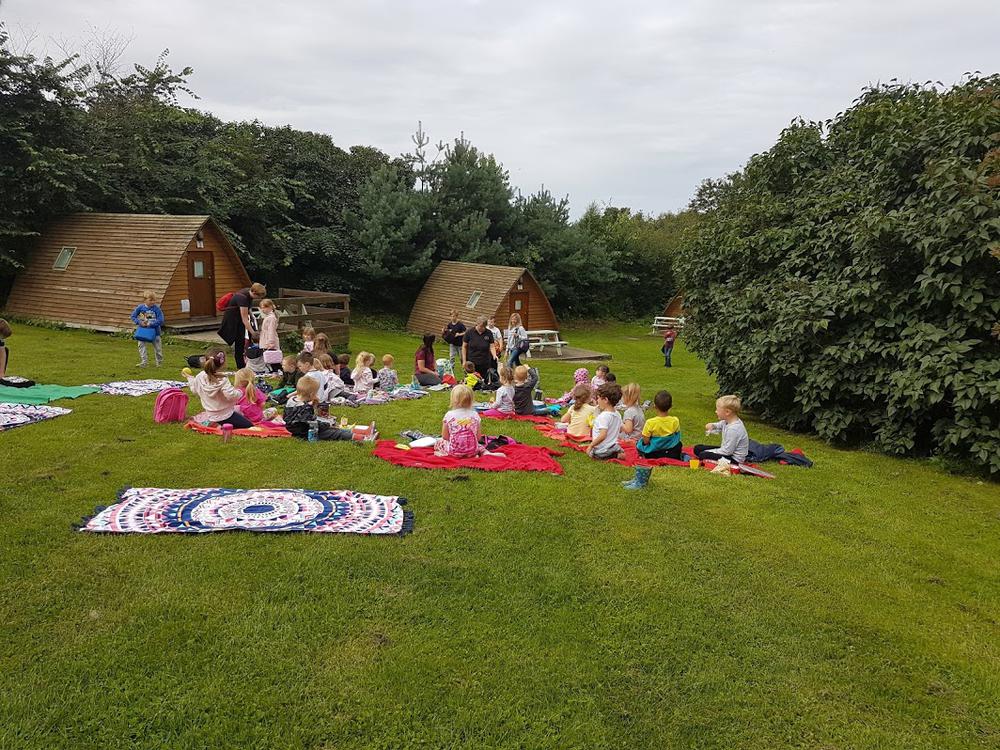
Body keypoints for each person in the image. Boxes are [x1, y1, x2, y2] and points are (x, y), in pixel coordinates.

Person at [184, 352, 253, 429]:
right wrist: (240, 392)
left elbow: (194, 390)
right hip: (226, 415)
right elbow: (231, 395)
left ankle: (216, 423)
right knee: (249, 426)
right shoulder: (222, 379)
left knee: (237, 415)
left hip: (210, 414)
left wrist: (190, 378)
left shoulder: (200, 376)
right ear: (222, 364)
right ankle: (219, 425)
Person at [283, 377, 354, 441]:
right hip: (305, 432)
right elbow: (313, 423)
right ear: (312, 394)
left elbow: (287, 417)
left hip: (292, 429)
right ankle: (355, 436)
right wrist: (328, 425)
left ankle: (348, 432)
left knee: (331, 428)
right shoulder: (305, 408)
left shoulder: (291, 400)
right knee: (333, 433)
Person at [218, 282, 266, 369]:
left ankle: (244, 364)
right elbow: (245, 319)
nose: (259, 298)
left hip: (239, 319)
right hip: (233, 321)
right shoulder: (242, 298)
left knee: (241, 341)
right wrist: (253, 333)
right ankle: (240, 366)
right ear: (254, 292)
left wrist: (252, 319)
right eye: (258, 296)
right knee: (239, 342)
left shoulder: (248, 293)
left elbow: (248, 311)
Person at [695, 395, 749, 463]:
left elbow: (727, 451)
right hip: (727, 451)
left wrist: (709, 451)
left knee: (703, 454)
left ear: (727, 412)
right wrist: (712, 425)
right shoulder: (727, 421)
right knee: (698, 448)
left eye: (717, 410)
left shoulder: (734, 429)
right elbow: (719, 425)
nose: (715, 411)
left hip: (734, 459)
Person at [434, 385, 485, 458]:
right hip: (473, 451)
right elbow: (478, 437)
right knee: (477, 445)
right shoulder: (475, 415)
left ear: (453, 400)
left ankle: (442, 453)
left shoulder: (449, 415)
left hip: (454, 452)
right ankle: (478, 453)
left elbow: (445, 436)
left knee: (439, 442)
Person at [637, 390, 683, 460]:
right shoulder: (675, 420)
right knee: (678, 444)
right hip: (671, 452)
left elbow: (646, 441)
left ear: (654, 406)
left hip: (654, 453)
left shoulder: (650, 423)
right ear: (671, 406)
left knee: (639, 444)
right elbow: (677, 437)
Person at [588, 383, 624, 459]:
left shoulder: (603, 416)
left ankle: (614, 455)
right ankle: (617, 451)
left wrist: (591, 445)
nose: (597, 401)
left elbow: (602, 435)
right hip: (613, 445)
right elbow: (620, 429)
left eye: (598, 398)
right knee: (613, 447)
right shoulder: (617, 414)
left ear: (605, 400)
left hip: (603, 448)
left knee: (593, 454)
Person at [130, 290, 164, 368]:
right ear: (145, 300)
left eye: (154, 300)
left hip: (155, 332)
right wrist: (140, 322)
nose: (153, 302)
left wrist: (151, 324)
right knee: (141, 346)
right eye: (150, 300)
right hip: (142, 331)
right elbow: (133, 316)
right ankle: (144, 362)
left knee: (158, 348)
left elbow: (161, 320)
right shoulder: (140, 307)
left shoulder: (157, 309)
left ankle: (159, 363)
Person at [462, 315, 495, 382]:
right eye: (480, 326)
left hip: (484, 363)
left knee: (483, 382)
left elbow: (492, 346)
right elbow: (464, 347)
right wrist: (464, 361)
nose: (482, 328)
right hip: (472, 363)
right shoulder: (469, 332)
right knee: (471, 381)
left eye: (484, 327)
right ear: (477, 324)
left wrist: (494, 355)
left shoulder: (489, 333)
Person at [258, 298, 280, 370]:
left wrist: (271, 342)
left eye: (264, 308)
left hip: (269, 340)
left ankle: (277, 370)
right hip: (266, 339)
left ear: (270, 307)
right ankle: (273, 370)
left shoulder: (271, 318)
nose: (262, 310)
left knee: (273, 357)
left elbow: (271, 331)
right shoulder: (268, 317)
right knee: (269, 357)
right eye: (261, 308)